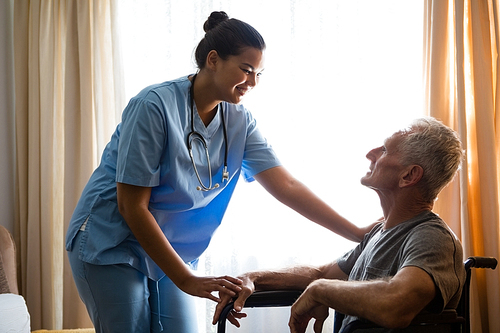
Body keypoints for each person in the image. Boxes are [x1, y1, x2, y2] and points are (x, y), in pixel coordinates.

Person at [65, 11, 371, 333]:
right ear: (213, 60)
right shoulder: (154, 106)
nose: (253, 82)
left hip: (171, 246)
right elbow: (131, 206)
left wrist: (358, 233)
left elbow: (287, 186)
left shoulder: (239, 120)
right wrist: (186, 278)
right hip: (112, 240)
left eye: (259, 74)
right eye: (246, 70)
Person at [213, 117, 467, 333]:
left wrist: (322, 291)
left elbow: (397, 304)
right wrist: (251, 277)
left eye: (386, 150)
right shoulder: (379, 233)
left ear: (408, 176)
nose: (371, 153)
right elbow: (320, 275)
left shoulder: (432, 237)